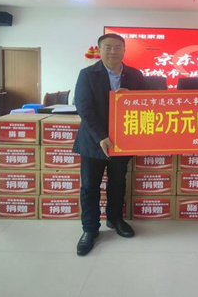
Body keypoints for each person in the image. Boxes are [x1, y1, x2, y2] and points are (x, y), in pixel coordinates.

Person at [73, 33, 147, 256]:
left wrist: (132, 97)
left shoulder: (135, 75)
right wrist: (101, 136)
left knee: (117, 182)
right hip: (94, 141)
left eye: (117, 47)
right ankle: (90, 229)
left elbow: (148, 102)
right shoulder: (87, 74)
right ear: (100, 50)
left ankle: (115, 219)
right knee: (90, 186)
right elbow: (84, 108)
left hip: (122, 142)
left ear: (124, 50)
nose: (113, 51)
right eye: (108, 47)